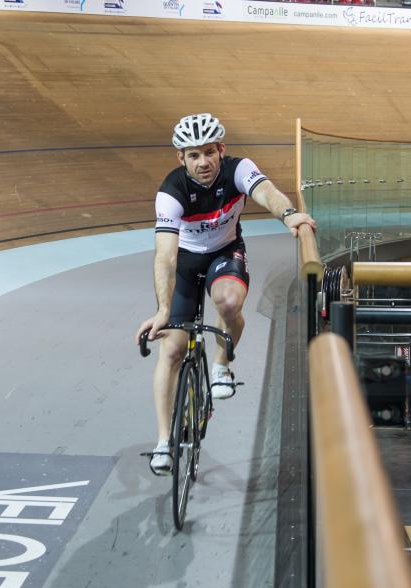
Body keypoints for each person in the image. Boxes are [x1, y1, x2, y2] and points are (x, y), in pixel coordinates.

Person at [135, 113, 316, 474]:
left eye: (208, 152)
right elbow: (166, 257)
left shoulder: (237, 169)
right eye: (193, 155)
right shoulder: (171, 192)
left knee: (229, 302)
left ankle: (221, 366)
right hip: (185, 262)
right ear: (181, 159)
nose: (203, 162)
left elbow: (266, 192)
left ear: (221, 149)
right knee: (171, 348)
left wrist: (289, 214)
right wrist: (162, 310)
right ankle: (162, 441)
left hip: (224, 252)